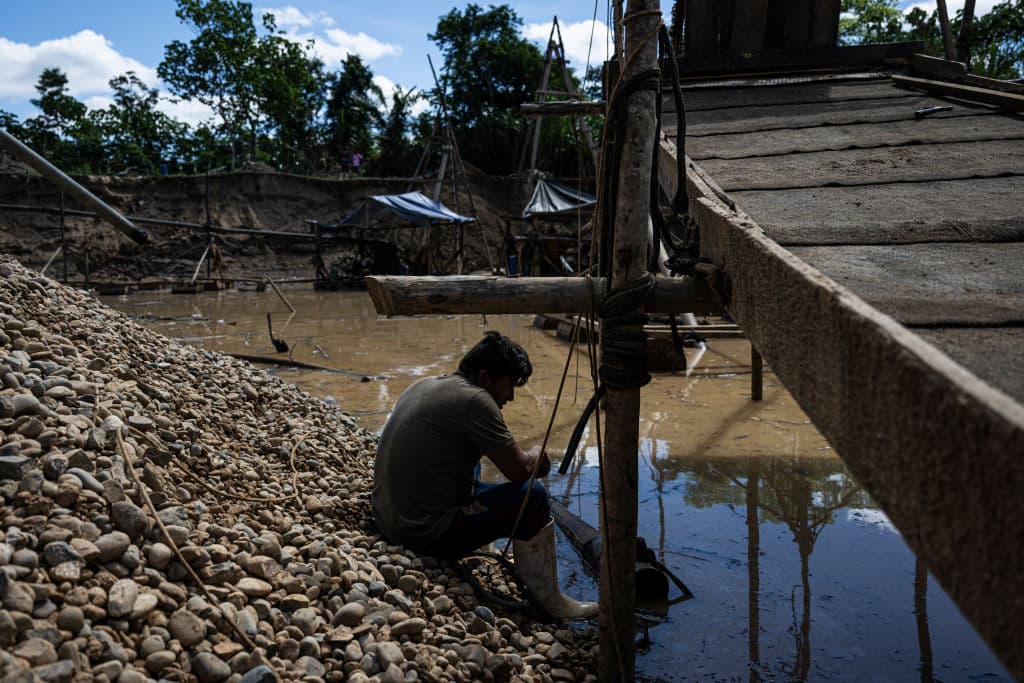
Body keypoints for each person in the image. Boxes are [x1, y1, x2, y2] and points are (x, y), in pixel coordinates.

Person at [372, 331, 597, 619]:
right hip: (419, 533)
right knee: (534, 497)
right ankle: (551, 601)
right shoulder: (476, 399)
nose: (511, 397)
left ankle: (481, 541)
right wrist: (537, 456)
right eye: (509, 386)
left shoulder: (426, 383)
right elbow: (518, 471)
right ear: (484, 377)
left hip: (386, 515)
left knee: (470, 455)